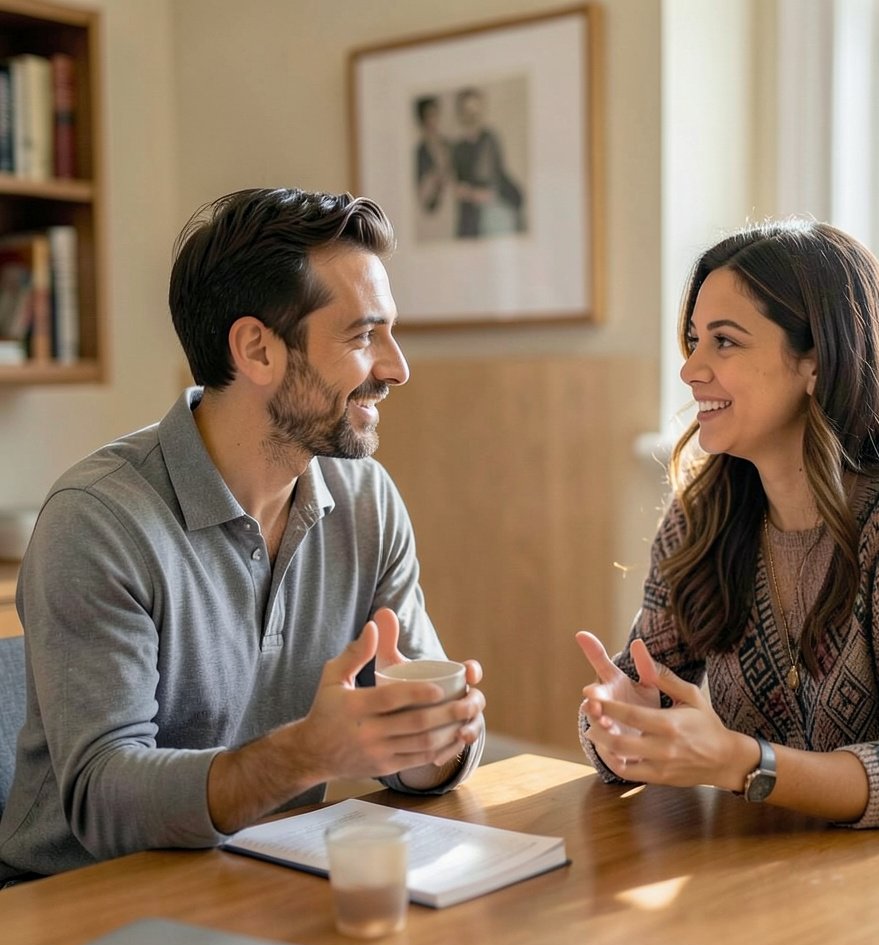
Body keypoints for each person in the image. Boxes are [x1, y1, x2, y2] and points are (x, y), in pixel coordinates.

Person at [575, 219, 879, 945]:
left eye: (725, 341)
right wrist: (620, 725)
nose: (690, 367)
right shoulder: (703, 516)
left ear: (816, 358)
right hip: (776, 890)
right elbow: (649, 694)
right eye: (691, 338)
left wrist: (744, 763)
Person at [0, 187, 486, 884]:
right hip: (76, 908)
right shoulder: (98, 520)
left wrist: (432, 738)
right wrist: (307, 754)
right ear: (257, 349)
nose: (396, 367)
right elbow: (102, 801)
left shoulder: (366, 501)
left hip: (257, 883)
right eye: (362, 335)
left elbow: (419, 738)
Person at [451, 87, 525, 238]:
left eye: (476, 110)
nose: (473, 115)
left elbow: (495, 181)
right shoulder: (458, 149)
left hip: (494, 209)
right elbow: (459, 189)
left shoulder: (490, 140)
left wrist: (479, 193)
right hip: (471, 220)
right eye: (468, 110)